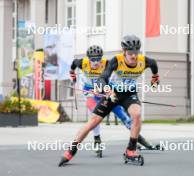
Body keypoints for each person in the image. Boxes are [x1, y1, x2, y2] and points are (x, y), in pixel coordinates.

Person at [59, 35, 159, 166]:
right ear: (124, 52)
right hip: (113, 93)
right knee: (93, 121)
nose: (133, 56)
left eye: (136, 52)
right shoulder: (116, 61)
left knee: (137, 114)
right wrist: (107, 90)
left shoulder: (145, 61)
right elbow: (103, 77)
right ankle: (71, 150)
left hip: (129, 94)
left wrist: (155, 79)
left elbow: (154, 66)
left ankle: (131, 150)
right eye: (130, 53)